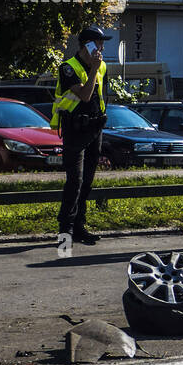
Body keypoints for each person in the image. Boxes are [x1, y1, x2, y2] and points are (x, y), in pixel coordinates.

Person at [53, 26, 110, 246]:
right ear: (87, 44)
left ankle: (79, 227)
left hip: (95, 129)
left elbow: (99, 97)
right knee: (74, 181)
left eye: (102, 43)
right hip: (74, 130)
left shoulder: (102, 66)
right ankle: (65, 230)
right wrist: (94, 69)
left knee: (87, 182)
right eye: (98, 43)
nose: (102, 47)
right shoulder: (68, 68)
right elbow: (85, 96)